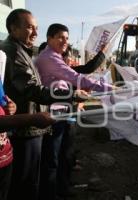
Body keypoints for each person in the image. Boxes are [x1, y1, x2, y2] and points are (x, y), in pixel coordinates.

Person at [0, 9, 86, 200]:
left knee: (32, 177)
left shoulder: (21, 50)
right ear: (13, 28)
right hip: (26, 128)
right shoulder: (14, 51)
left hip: (30, 125)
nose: (35, 33)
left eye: (36, 28)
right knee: (26, 182)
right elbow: (33, 90)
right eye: (29, 27)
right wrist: (71, 95)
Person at [35, 23, 115, 200]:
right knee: (53, 158)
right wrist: (109, 88)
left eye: (66, 38)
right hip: (53, 113)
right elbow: (77, 77)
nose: (65, 41)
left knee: (61, 154)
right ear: (49, 39)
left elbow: (79, 75)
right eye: (60, 37)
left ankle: (59, 188)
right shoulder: (49, 57)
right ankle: (50, 193)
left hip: (62, 112)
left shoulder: (54, 56)